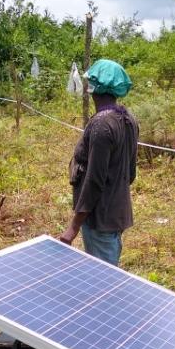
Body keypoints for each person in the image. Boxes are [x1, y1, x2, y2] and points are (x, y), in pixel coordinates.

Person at [59, 59, 139, 266]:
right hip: (116, 212)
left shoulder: (101, 125)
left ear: (93, 88)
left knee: (103, 280)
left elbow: (95, 180)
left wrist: (73, 227)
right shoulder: (128, 118)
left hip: (100, 219)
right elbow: (130, 173)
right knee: (105, 272)